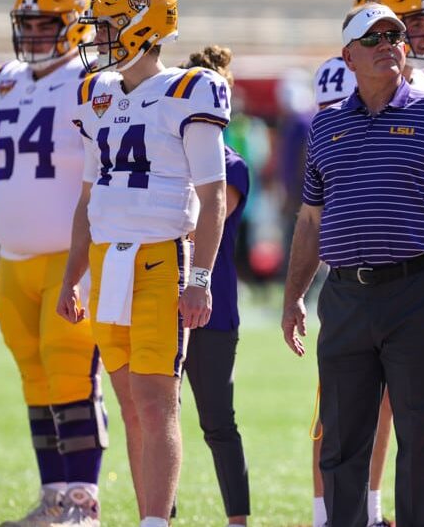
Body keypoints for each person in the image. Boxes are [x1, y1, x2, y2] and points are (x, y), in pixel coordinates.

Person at [281, 3, 424, 527]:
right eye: (373, 39)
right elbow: (310, 220)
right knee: (342, 438)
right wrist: (292, 297)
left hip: (415, 290)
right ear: (348, 57)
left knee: (421, 436)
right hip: (344, 295)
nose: (388, 44)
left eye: (394, 36)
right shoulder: (325, 125)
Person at [56, 0, 229, 526]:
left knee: (156, 403)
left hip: (161, 258)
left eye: (109, 26)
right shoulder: (95, 93)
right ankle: (149, 517)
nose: (99, 38)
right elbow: (88, 197)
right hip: (107, 261)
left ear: (141, 27)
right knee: (131, 406)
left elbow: (213, 194)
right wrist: (71, 276)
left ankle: (156, 521)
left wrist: (199, 278)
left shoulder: (190, 89)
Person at [0, 0, 109, 524]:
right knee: (35, 381)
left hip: (71, 257)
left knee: (71, 375)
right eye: (29, 25)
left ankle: (84, 502)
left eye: (48, 24)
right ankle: (55, 497)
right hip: (15, 261)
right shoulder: (2, 82)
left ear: (74, 25)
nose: (37, 35)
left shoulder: (93, 81)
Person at [308, 0, 424, 524]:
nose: (415, 33)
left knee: (417, 423)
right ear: (351, 52)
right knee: (343, 419)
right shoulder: (336, 98)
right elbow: (322, 199)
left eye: (406, 28)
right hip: (351, 278)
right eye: (407, 22)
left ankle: (376, 511)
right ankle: (336, 514)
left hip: (416, 271)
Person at [178, 45, 251, 527]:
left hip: (211, 306)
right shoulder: (165, 156)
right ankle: (158, 515)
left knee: (218, 422)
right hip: (157, 294)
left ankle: (237, 520)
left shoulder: (231, 164)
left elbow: (202, 222)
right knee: (154, 418)